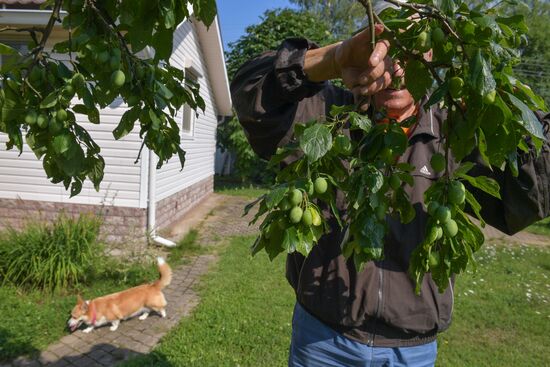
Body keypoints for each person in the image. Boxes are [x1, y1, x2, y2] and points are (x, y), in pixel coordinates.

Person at [230, 7, 550, 367]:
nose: (398, 67)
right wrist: (333, 58)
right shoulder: (328, 115)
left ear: (433, 56)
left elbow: (534, 188)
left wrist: (495, 96)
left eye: (414, 52)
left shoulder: (458, 133)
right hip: (323, 337)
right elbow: (251, 93)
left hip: (411, 349)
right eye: (386, 50)